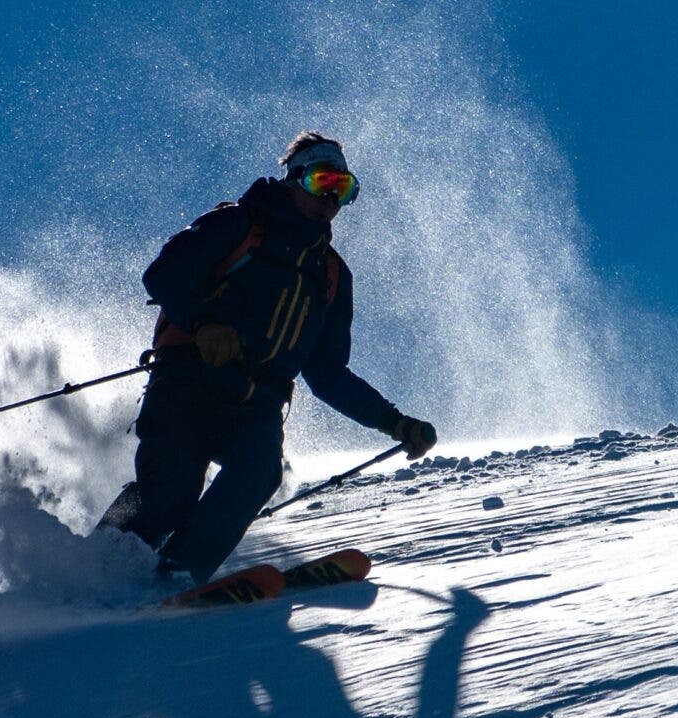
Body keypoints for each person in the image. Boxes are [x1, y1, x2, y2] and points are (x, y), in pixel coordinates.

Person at [99, 132, 437, 581]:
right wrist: (204, 325)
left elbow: (328, 374)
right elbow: (163, 274)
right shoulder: (239, 226)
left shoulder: (331, 275)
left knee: (259, 472)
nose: (332, 198)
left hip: (258, 404)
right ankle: (99, 561)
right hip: (190, 384)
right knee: (171, 495)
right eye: (322, 181)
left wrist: (394, 422)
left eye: (344, 189)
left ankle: (179, 574)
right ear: (294, 179)